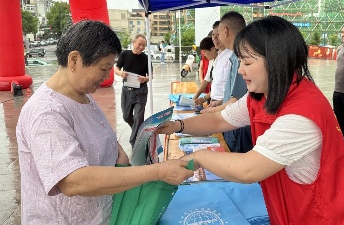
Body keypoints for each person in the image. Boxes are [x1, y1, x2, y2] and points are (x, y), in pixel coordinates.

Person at [157, 16, 344, 224]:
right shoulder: (261, 96)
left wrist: (199, 157)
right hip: (292, 212)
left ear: (276, 61)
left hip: (328, 217)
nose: (241, 70)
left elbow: (248, 169)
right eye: (240, 61)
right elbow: (219, 121)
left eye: (247, 63)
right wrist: (176, 126)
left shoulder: (302, 113)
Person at [16, 20, 193, 224]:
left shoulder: (83, 94)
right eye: (103, 68)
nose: (107, 76)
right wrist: (158, 172)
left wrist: (116, 150)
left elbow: (98, 135)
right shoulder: (46, 112)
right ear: (74, 60)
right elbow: (73, 181)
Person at [203, 11, 251, 153]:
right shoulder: (234, 55)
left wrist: (212, 111)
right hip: (232, 117)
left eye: (218, 34)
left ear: (225, 31)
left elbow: (237, 99)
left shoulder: (239, 57)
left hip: (238, 125)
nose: (216, 38)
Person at [115, 33, 152, 147]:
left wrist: (144, 79)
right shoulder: (125, 54)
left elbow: (150, 76)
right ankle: (138, 131)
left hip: (141, 91)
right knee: (126, 116)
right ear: (133, 43)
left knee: (138, 117)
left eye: (144, 45)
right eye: (139, 44)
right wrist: (121, 73)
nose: (141, 47)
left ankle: (134, 142)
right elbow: (116, 68)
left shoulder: (146, 58)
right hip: (127, 90)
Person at [193, 21, 232, 107]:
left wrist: (220, 102)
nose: (214, 38)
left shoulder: (232, 56)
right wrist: (203, 98)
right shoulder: (218, 57)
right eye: (213, 35)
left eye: (217, 35)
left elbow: (236, 91)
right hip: (215, 103)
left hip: (224, 105)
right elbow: (216, 86)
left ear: (225, 33)